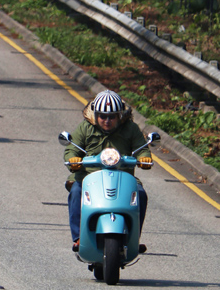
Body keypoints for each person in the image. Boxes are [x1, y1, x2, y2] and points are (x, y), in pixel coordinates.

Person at [63, 90, 153, 253]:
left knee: (140, 194)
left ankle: (133, 238)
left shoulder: (131, 128)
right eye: (103, 116)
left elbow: (142, 148)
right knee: (76, 191)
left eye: (112, 116)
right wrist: (74, 160)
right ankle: (78, 238)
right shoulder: (85, 128)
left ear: (120, 116)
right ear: (96, 115)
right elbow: (72, 149)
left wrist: (145, 158)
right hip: (89, 177)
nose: (107, 121)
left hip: (123, 177)